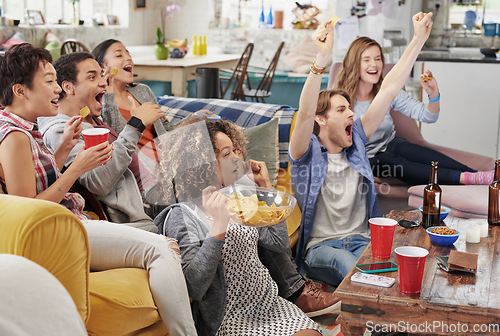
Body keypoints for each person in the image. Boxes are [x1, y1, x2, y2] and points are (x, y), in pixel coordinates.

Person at [0, 43, 196, 336]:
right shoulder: (15, 135)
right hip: (63, 231)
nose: (58, 90)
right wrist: (77, 167)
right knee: (161, 250)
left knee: (167, 245)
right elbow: (29, 208)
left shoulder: (22, 128)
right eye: (50, 81)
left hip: (72, 222)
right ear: (21, 90)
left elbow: (36, 181)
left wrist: (64, 150)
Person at [289, 13, 434, 286]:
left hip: (360, 239)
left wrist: (418, 39)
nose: (351, 116)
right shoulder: (304, 154)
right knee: (352, 266)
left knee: (398, 266)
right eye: (342, 110)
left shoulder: (355, 142)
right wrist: (320, 62)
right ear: (321, 119)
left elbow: (389, 89)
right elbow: (306, 110)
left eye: (350, 109)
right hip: (321, 248)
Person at [154, 116, 322, 336]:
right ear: (201, 164)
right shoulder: (181, 215)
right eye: (226, 154)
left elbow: (278, 244)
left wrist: (265, 188)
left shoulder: (239, 197)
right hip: (229, 317)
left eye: (234, 150)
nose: (236, 158)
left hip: (268, 303)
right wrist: (219, 226)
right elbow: (194, 285)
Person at [333, 36, 493, 186]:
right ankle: (466, 179)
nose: (374, 65)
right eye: (366, 60)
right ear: (354, 64)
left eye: (378, 58)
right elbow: (334, 143)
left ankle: (476, 174)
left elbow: (428, 116)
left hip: (390, 145)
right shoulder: (340, 100)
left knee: (407, 148)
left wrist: (433, 96)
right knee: (389, 160)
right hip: (365, 158)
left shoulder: (387, 91)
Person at [38, 52, 165, 231]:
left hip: (158, 195)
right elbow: (98, 182)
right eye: (92, 77)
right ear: (68, 87)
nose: (103, 82)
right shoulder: (59, 130)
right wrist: (136, 125)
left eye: (101, 75)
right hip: (140, 218)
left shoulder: (90, 116)